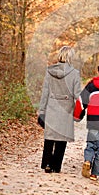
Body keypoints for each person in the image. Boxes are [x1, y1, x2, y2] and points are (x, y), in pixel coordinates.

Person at [38, 45, 81, 173]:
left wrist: (42, 110)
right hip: (66, 109)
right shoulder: (74, 73)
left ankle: (46, 164)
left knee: (49, 137)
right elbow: (77, 95)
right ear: (70, 57)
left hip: (51, 107)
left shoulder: (49, 71)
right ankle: (56, 166)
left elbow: (45, 91)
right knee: (61, 138)